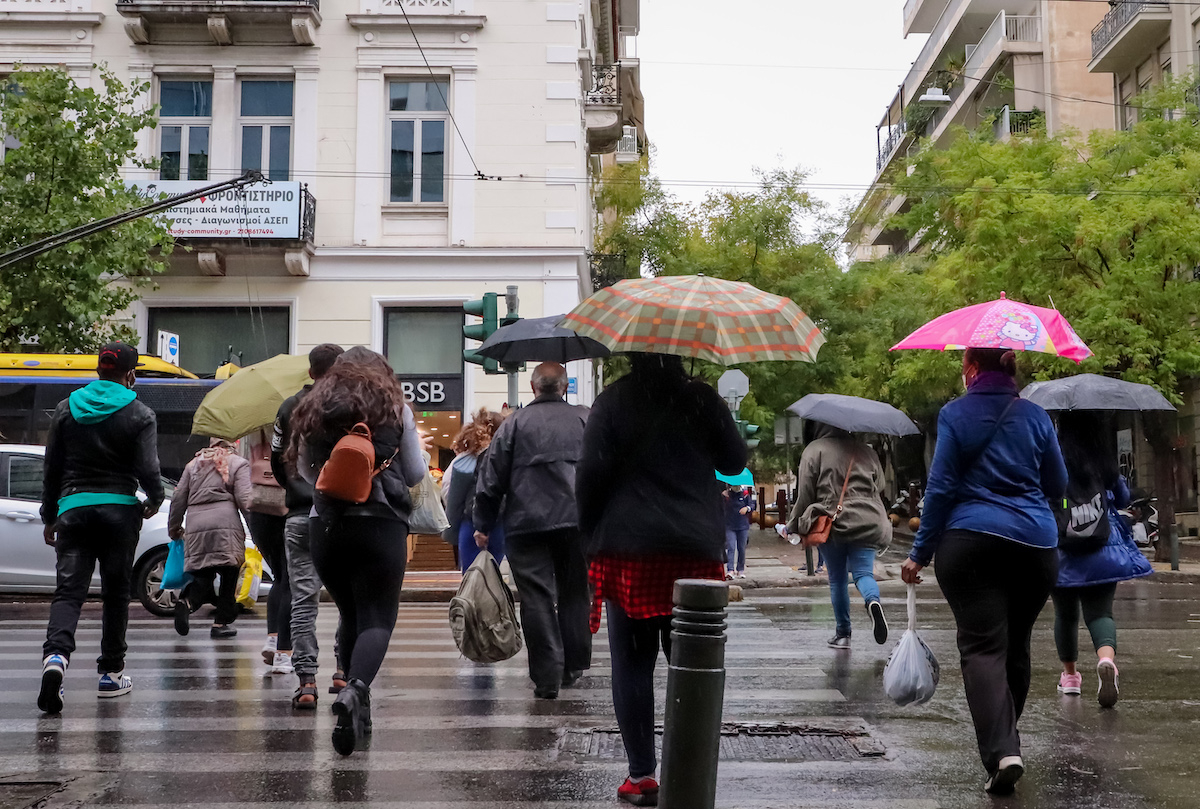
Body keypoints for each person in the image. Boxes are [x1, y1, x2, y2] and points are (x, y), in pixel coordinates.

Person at [578, 353, 745, 807]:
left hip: (629, 545)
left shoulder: (613, 400)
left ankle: (641, 777)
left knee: (631, 663)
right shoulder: (702, 399)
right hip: (694, 546)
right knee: (691, 664)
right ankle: (687, 769)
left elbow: (589, 474)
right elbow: (735, 461)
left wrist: (590, 533)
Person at [901, 347, 1067, 797]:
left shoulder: (955, 414)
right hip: (1035, 545)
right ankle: (1006, 746)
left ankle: (1002, 750)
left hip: (971, 542)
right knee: (1015, 647)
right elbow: (1058, 485)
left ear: (971, 368)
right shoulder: (1036, 416)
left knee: (982, 648)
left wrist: (921, 552)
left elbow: (941, 487)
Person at [289, 346, 425, 755]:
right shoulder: (395, 408)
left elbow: (304, 471)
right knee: (377, 619)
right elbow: (417, 471)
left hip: (326, 525)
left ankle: (352, 699)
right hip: (380, 523)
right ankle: (354, 692)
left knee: (349, 613)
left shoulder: (314, 407)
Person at [38, 342, 165, 713]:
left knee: (68, 593)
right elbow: (148, 468)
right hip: (119, 513)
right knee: (115, 592)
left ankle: (55, 661)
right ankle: (111, 673)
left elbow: (52, 469)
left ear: (98, 370)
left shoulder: (66, 408)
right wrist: (154, 500)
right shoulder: (140, 412)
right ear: (131, 374)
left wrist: (50, 516)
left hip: (73, 510)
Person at [473, 362, 590, 698]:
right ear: (564, 386)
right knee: (574, 592)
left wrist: (483, 524)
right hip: (576, 521)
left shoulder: (515, 424)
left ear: (533, 386)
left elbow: (491, 480)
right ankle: (574, 663)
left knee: (536, 597)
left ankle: (547, 674)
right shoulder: (584, 419)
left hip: (527, 524)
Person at [1051, 411, 1152, 708]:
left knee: (1065, 616)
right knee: (1101, 613)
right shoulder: (1102, 460)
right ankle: (1107, 660)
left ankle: (1070, 678)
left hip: (1062, 551)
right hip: (1102, 550)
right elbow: (1122, 499)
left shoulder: (1053, 457)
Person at [270, 343, 345, 709]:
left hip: (301, 513)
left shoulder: (288, 407)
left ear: (311, 371)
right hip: (344, 514)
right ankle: (343, 671)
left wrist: (298, 490)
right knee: (351, 600)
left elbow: (276, 459)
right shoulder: (349, 407)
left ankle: (306, 681)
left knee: (303, 601)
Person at [787, 421, 891, 648]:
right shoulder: (867, 451)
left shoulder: (814, 450)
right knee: (864, 574)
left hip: (832, 522)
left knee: (837, 579)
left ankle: (843, 634)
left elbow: (805, 492)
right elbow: (880, 484)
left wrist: (793, 524)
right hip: (868, 521)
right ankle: (872, 601)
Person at [169, 437, 253, 639]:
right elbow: (245, 499)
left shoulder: (193, 465)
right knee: (229, 573)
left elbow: (178, 498)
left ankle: (188, 602)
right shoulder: (237, 463)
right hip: (225, 524)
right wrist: (255, 529)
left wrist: (174, 528)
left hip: (196, 524)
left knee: (203, 573)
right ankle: (220, 623)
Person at [244, 429, 293, 675]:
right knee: (289, 579)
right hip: (286, 507)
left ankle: (273, 637)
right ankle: (285, 653)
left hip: (260, 509)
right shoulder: (295, 423)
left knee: (278, 578)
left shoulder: (257, 433)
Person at [443, 408, 506, 572]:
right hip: (499, 523)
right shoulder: (503, 457)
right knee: (494, 576)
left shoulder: (465, 460)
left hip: (471, 522)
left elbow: (448, 490)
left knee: (471, 578)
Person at [723, 485, 754, 580]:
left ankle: (740, 569)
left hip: (743, 526)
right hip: (729, 525)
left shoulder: (745, 495)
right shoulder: (726, 495)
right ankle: (730, 570)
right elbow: (720, 507)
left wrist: (747, 508)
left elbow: (752, 505)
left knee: (741, 548)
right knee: (731, 547)